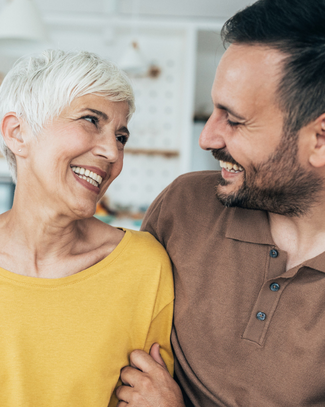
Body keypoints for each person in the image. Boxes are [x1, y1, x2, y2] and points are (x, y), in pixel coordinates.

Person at [0, 49, 174, 407]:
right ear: (17, 132)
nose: (113, 153)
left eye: (121, 136)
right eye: (91, 120)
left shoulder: (144, 266)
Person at [115, 0, 325, 406]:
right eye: (213, 110)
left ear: (319, 139)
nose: (207, 138)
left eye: (234, 119)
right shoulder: (184, 205)